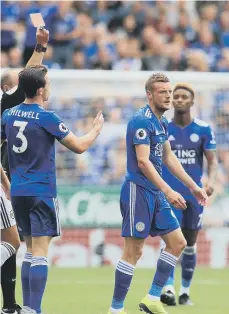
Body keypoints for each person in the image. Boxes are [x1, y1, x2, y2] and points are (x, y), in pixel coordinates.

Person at [1, 65, 104, 314]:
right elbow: (79, 146)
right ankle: (33, 309)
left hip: (18, 192)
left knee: (29, 250)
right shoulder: (47, 118)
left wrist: (7, 182)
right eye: (48, 84)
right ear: (39, 89)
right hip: (42, 191)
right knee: (41, 252)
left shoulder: (9, 115)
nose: (49, 88)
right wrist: (96, 129)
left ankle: (27, 307)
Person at [107, 73, 208, 314]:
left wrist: (193, 185)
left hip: (155, 193)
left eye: (169, 92)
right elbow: (143, 162)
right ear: (150, 94)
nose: (169, 96)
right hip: (138, 191)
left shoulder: (161, 122)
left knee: (178, 242)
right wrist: (169, 189)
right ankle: (116, 309)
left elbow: (168, 157)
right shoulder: (141, 121)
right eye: (163, 92)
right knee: (134, 251)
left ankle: (152, 297)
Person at [1, 27, 49, 314]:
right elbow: (26, 81)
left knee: (12, 243)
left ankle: (9, 306)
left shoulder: (8, 109)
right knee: (13, 241)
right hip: (8, 182)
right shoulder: (7, 106)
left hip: (10, 182)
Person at [161, 83, 217, 306]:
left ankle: (184, 292)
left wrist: (210, 182)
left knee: (191, 242)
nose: (180, 100)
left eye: (185, 97)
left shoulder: (203, 129)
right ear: (172, 101)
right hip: (170, 193)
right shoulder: (164, 127)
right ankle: (167, 289)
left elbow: (212, 162)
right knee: (172, 240)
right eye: (177, 96)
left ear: (192, 102)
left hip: (195, 195)